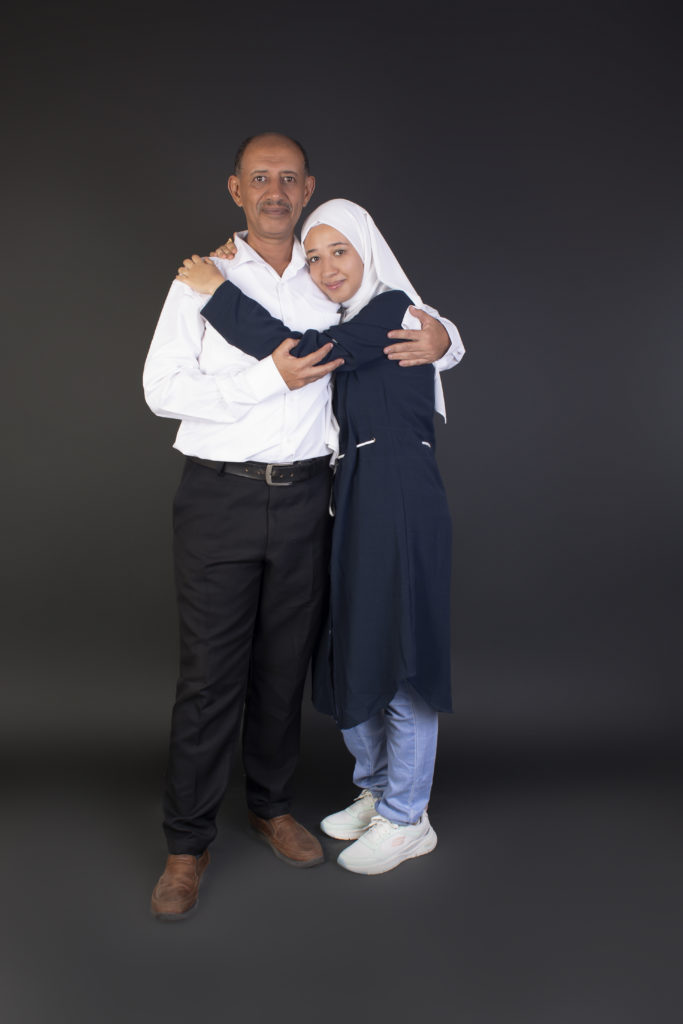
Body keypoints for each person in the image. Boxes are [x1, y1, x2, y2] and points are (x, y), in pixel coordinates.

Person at [143, 133, 463, 919]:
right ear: (237, 189)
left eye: (289, 178)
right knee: (211, 679)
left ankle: (272, 805)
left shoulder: (332, 288)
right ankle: (186, 847)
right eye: (261, 178)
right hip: (221, 498)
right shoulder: (204, 276)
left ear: (308, 186)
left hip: (311, 500)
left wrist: (448, 338)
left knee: (285, 669)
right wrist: (258, 363)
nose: (275, 190)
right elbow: (159, 390)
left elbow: (398, 316)